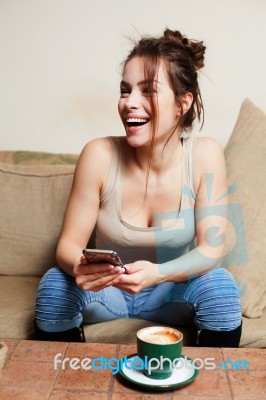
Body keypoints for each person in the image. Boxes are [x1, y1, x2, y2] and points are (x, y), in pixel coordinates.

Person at [34, 28, 242, 347]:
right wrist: (81, 267)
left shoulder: (205, 155)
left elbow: (210, 250)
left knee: (222, 287)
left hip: (169, 291)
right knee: (54, 283)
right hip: (109, 291)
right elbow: (68, 245)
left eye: (147, 91)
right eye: (125, 90)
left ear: (182, 102)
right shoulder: (98, 154)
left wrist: (157, 274)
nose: (129, 103)